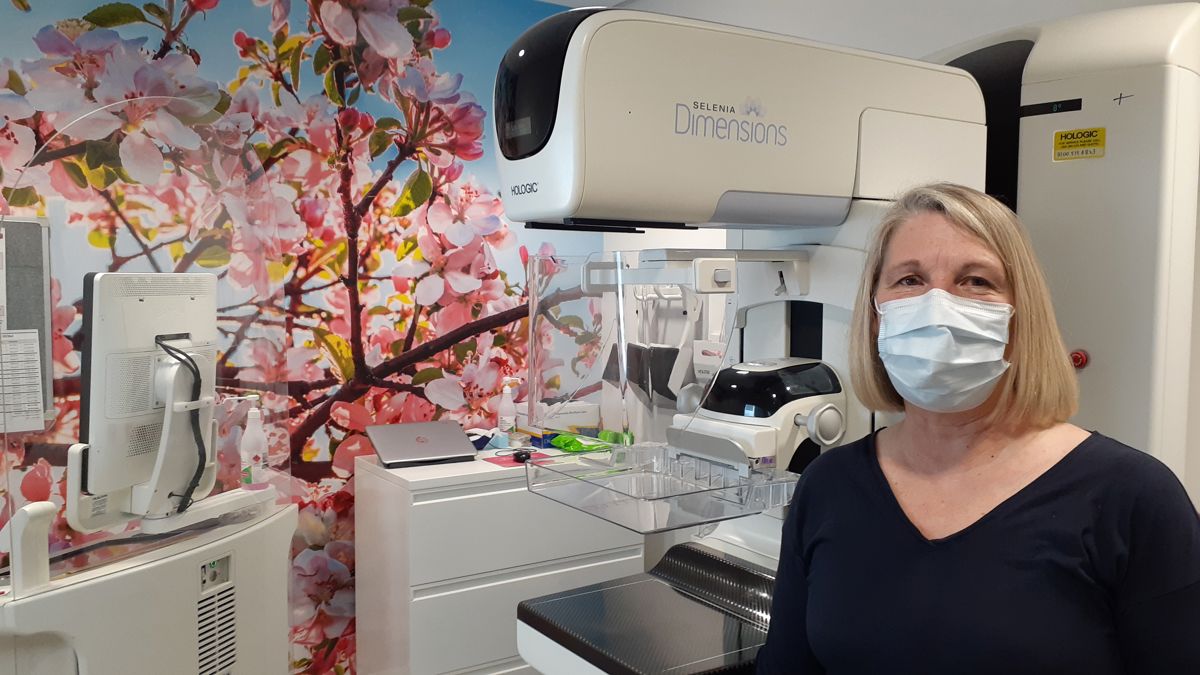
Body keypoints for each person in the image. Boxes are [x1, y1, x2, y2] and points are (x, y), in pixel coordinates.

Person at [756, 183, 1200, 674]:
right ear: (876, 316)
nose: (937, 306)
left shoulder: (1131, 497)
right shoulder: (829, 486)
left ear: (1019, 317)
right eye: (909, 280)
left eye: (975, 281)